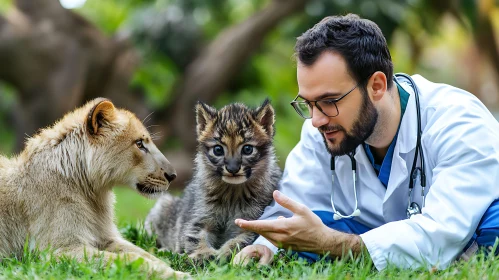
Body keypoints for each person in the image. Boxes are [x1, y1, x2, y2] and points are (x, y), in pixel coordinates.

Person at [232, 14, 499, 271]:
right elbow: (293, 210)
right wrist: (267, 245)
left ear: (377, 86)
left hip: (470, 222)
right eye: (309, 103)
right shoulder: (323, 131)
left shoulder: (459, 122)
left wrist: (332, 244)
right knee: (316, 224)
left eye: (329, 101)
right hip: (370, 233)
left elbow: (442, 231)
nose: (316, 120)